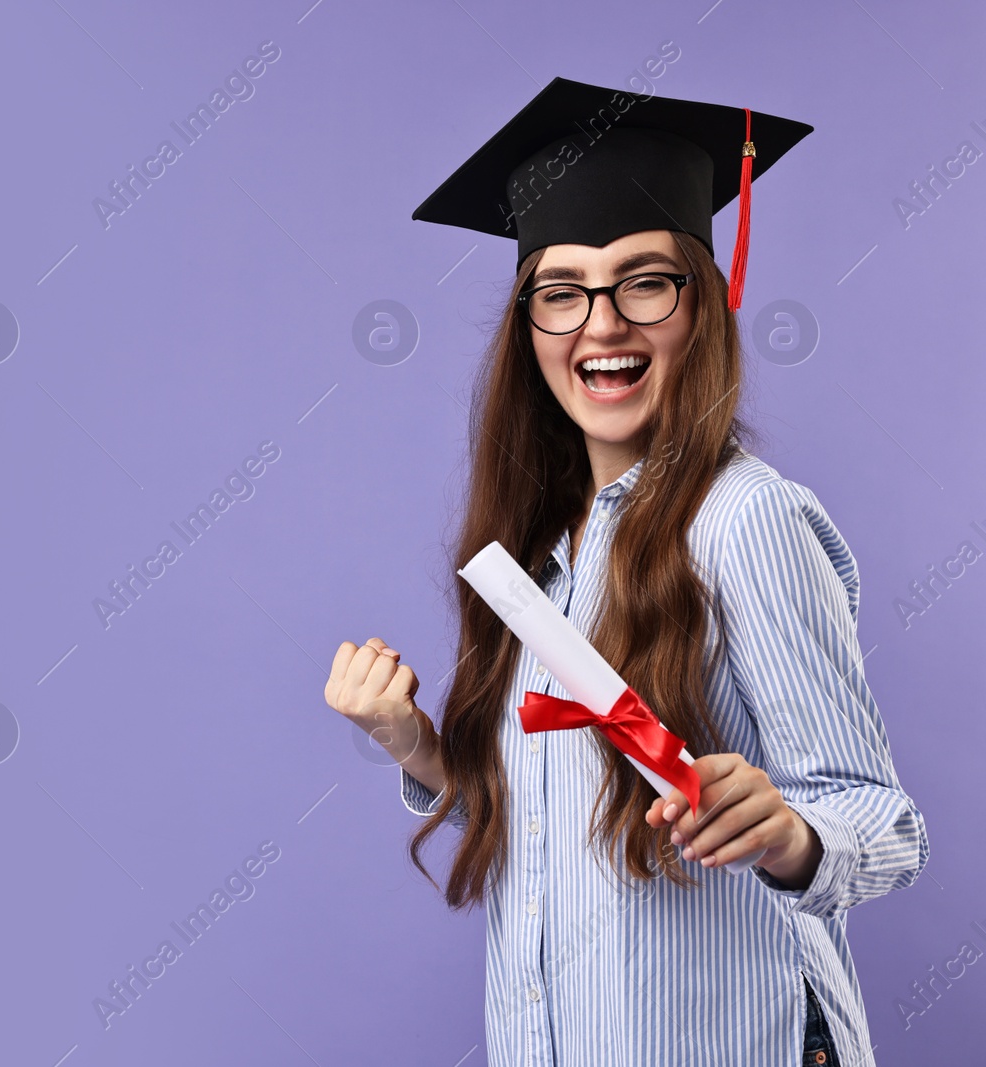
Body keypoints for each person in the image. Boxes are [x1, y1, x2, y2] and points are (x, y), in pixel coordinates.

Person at [323, 77, 928, 1066]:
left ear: (704, 301)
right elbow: (555, 829)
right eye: (560, 293)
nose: (600, 324)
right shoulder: (539, 552)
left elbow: (882, 820)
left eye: (644, 281)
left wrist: (785, 831)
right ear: (528, 328)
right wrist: (418, 748)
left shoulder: (746, 520)